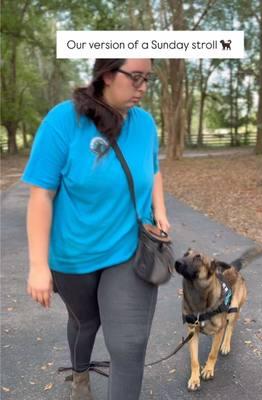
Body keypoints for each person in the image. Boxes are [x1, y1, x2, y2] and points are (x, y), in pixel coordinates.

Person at [21, 58, 170, 400]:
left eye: (148, 78)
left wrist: (159, 210)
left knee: (129, 343)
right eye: (135, 78)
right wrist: (38, 266)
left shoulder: (145, 124)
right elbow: (42, 194)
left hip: (129, 248)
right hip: (73, 254)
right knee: (86, 323)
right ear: (106, 75)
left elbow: (153, 168)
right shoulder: (64, 120)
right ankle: (80, 377)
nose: (143, 87)